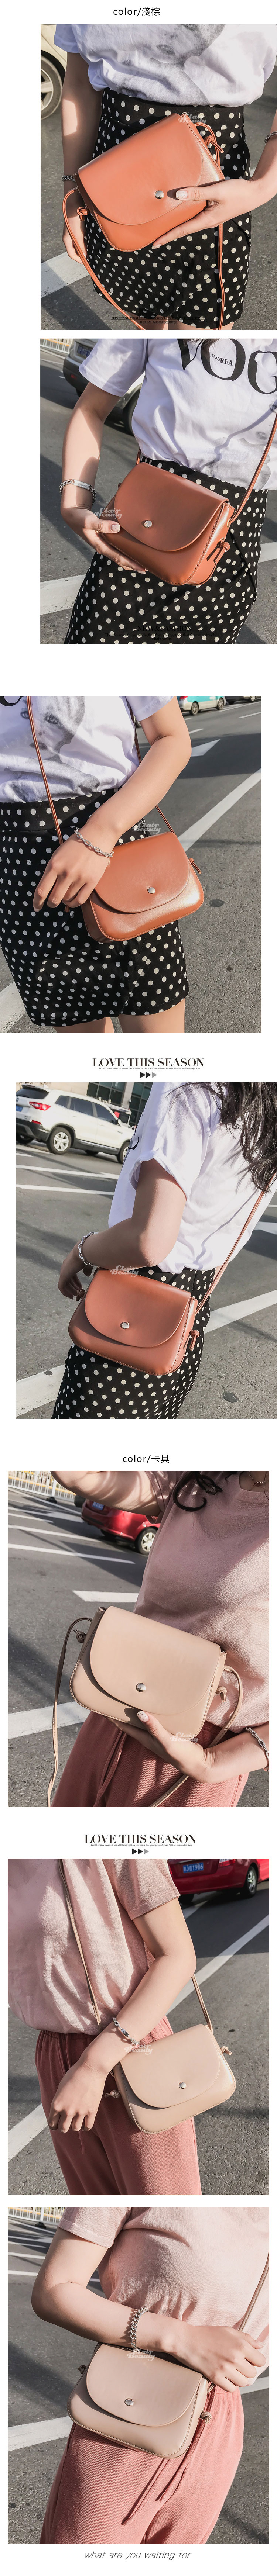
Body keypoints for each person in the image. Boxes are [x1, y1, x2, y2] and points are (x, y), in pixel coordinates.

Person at [33, 2202, 269, 2543]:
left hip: (222, 2425)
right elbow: (54, 2290)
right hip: (130, 2408)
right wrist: (180, 2338)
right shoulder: (147, 2180)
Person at [52, 1080, 277, 1418]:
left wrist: (80, 1252)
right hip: (189, 1317)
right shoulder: (267, 1106)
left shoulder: (190, 1082)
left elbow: (148, 1240)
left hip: (128, 1307)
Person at [52, 1472, 269, 1811]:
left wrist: (211, 1763)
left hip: (197, 1755)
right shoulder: (196, 1477)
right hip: (115, 1708)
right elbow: (79, 1472)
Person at [61, 332, 277, 646]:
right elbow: (92, 408)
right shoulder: (164, 313)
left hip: (228, 563)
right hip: (134, 547)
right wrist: (74, 501)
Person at [55, 23, 277, 328]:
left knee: (200, 347)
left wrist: (265, 184)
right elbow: (80, 83)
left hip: (212, 174)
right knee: (146, 329)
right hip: (114, 181)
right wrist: (72, 191)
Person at [7, 1855, 201, 2195]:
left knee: (166, 2210)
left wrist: (94, 2066)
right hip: (54, 2057)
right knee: (95, 2206)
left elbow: (178, 1955)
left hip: (129, 2046)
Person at [0, 695, 189, 1032]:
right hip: (22, 872)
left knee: (158, 1047)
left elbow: (171, 737)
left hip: (116, 853)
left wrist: (100, 835)